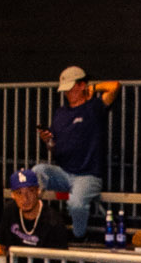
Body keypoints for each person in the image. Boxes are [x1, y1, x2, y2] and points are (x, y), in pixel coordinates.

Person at [36, 65, 119, 240]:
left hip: (88, 175)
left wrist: (93, 88)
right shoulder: (60, 113)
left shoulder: (95, 107)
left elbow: (114, 86)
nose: (67, 93)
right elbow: (53, 147)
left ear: (81, 85)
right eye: (65, 90)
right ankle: (35, 225)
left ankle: (79, 236)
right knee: (37, 171)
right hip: (63, 172)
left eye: (71, 88)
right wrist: (47, 140)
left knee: (76, 203)